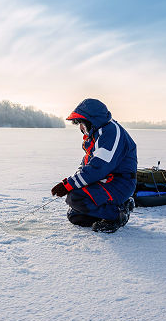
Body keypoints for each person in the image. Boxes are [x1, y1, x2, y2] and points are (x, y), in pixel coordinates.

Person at [51, 98, 137, 233]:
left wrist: (68, 185)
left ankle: (118, 213)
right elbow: (87, 164)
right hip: (104, 180)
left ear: (92, 121)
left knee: (76, 197)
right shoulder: (97, 134)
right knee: (76, 216)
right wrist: (73, 181)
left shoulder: (111, 133)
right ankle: (112, 209)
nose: (80, 128)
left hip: (119, 183)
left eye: (81, 123)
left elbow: (98, 168)